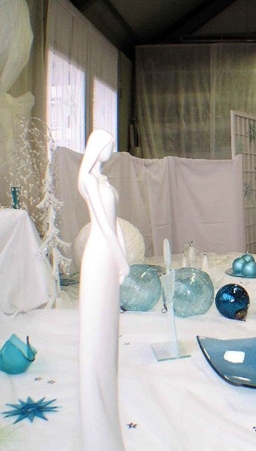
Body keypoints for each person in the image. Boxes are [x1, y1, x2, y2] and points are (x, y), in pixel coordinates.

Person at [77, 129, 129, 451]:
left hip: (111, 254)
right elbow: (103, 226)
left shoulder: (104, 180)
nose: (112, 150)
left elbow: (116, 223)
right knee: (96, 329)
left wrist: (122, 254)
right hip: (99, 256)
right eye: (110, 145)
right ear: (99, 147)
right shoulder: (88, 181)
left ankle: (106, 407)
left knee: (108, 329)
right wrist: (121, 260)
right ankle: (95, 419)